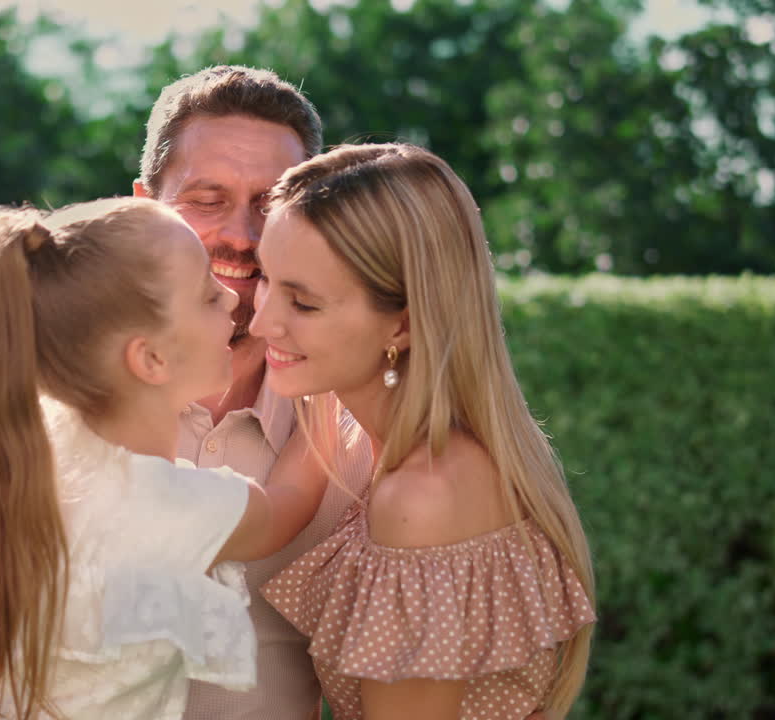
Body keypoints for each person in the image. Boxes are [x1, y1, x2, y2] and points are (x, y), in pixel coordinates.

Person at [0, 66, 374, 720]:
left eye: (269, 204)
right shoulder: (14, 415)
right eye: (207, 198)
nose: (242, 238)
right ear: (143, 204)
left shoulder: (374, 431)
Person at [252, 143, 597, 719]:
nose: (262, 320)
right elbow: (271, 509)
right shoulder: (377, 439)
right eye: (267, 277)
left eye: (303, 303)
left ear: (404, 323)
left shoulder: (423, 497)